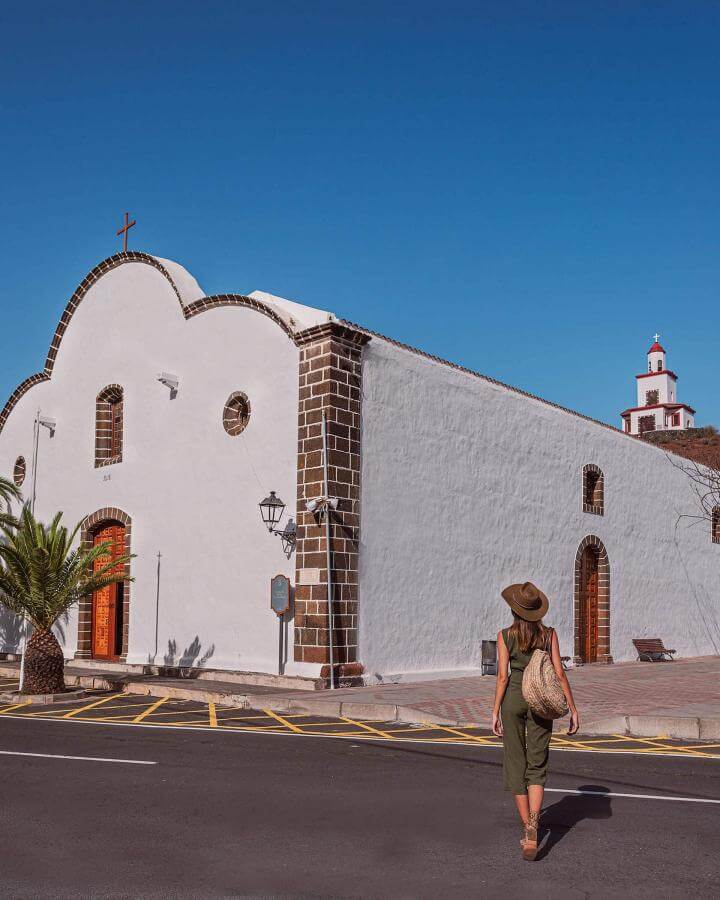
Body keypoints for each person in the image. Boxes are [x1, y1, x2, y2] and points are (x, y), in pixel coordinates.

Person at [491, 581, 579, 861]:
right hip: (541, 701)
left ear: (514, 610)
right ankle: (534, 824)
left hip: (514, 700)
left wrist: (494, 711)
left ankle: (529, 830)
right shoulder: (549, 634)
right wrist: (572, 709)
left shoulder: (505, 636)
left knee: (516, 762)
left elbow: (502, 677)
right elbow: (559, 674)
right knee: (537, 764)